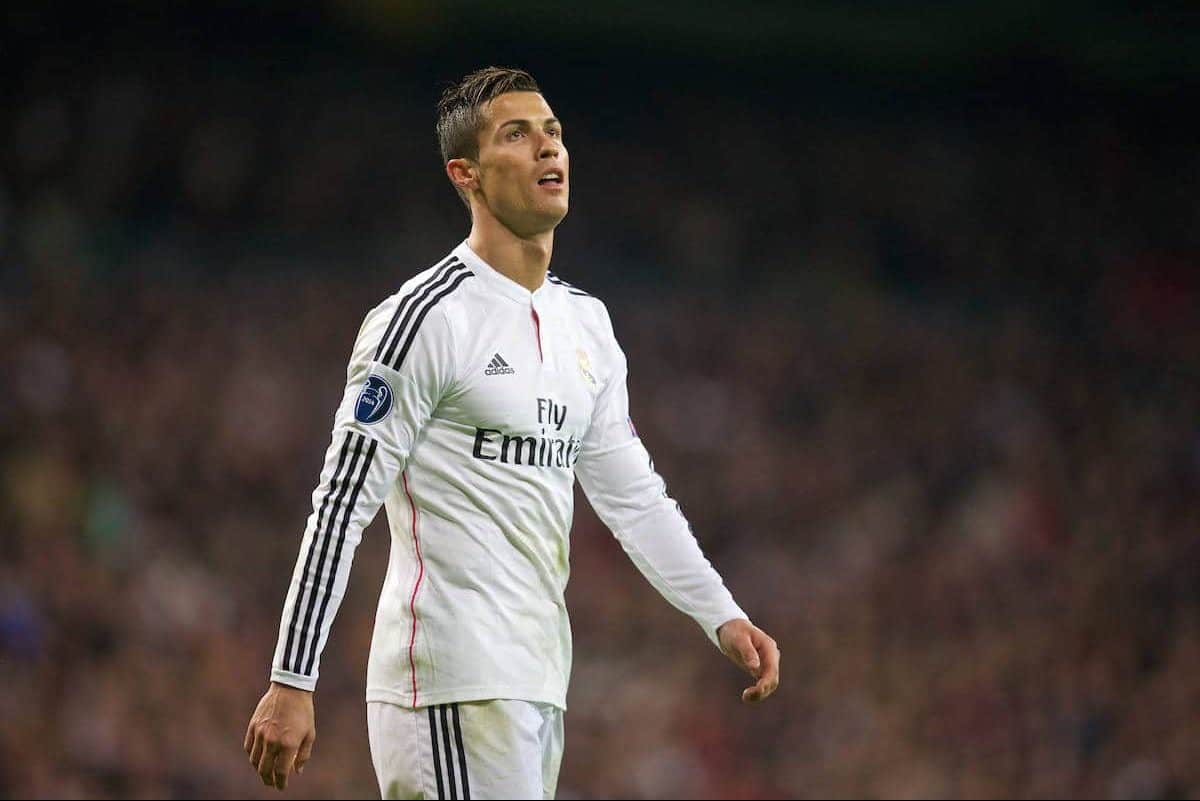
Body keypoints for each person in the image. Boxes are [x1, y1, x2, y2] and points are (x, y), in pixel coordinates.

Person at [244, 66, 780, 799]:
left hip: (536, 681)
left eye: (553, 133)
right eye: (516, 135)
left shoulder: (584, 323)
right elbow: (342, 501)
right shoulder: (424, 319)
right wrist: (291, 677)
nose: (547, 149)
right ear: (464, 173)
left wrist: (720, 612)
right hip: (447, 680)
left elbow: (634, 496)